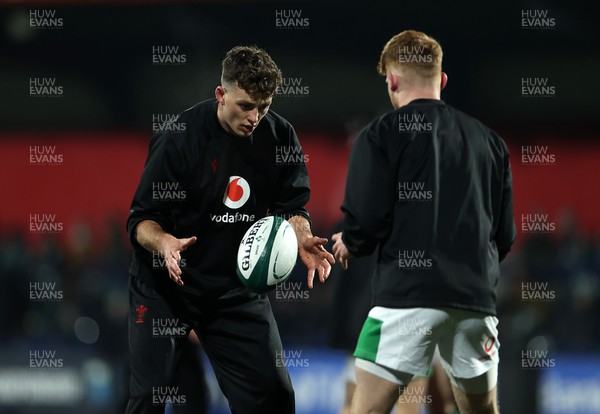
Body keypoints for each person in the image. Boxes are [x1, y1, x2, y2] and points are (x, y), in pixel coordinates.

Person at [125, 45, 334, 414]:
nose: (255, 116)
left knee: (275, 397)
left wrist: (300, 235)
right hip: (165, 289)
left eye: (264, 106)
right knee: (148, 399)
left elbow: (291, 206)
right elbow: (141, 220)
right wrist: (164, 243)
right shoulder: (179, 137)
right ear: (221, 95)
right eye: (246, 106)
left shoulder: (279, 138)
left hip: (234, 290)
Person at [332, 30, 516, 414]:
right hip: (475, 299)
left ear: (393, 80)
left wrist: (350, 241)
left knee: (362, 410)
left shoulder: (379, 135)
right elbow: (504, 235)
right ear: (442, 80)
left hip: (405, 300)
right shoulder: (491, 142)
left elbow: (365, 221)